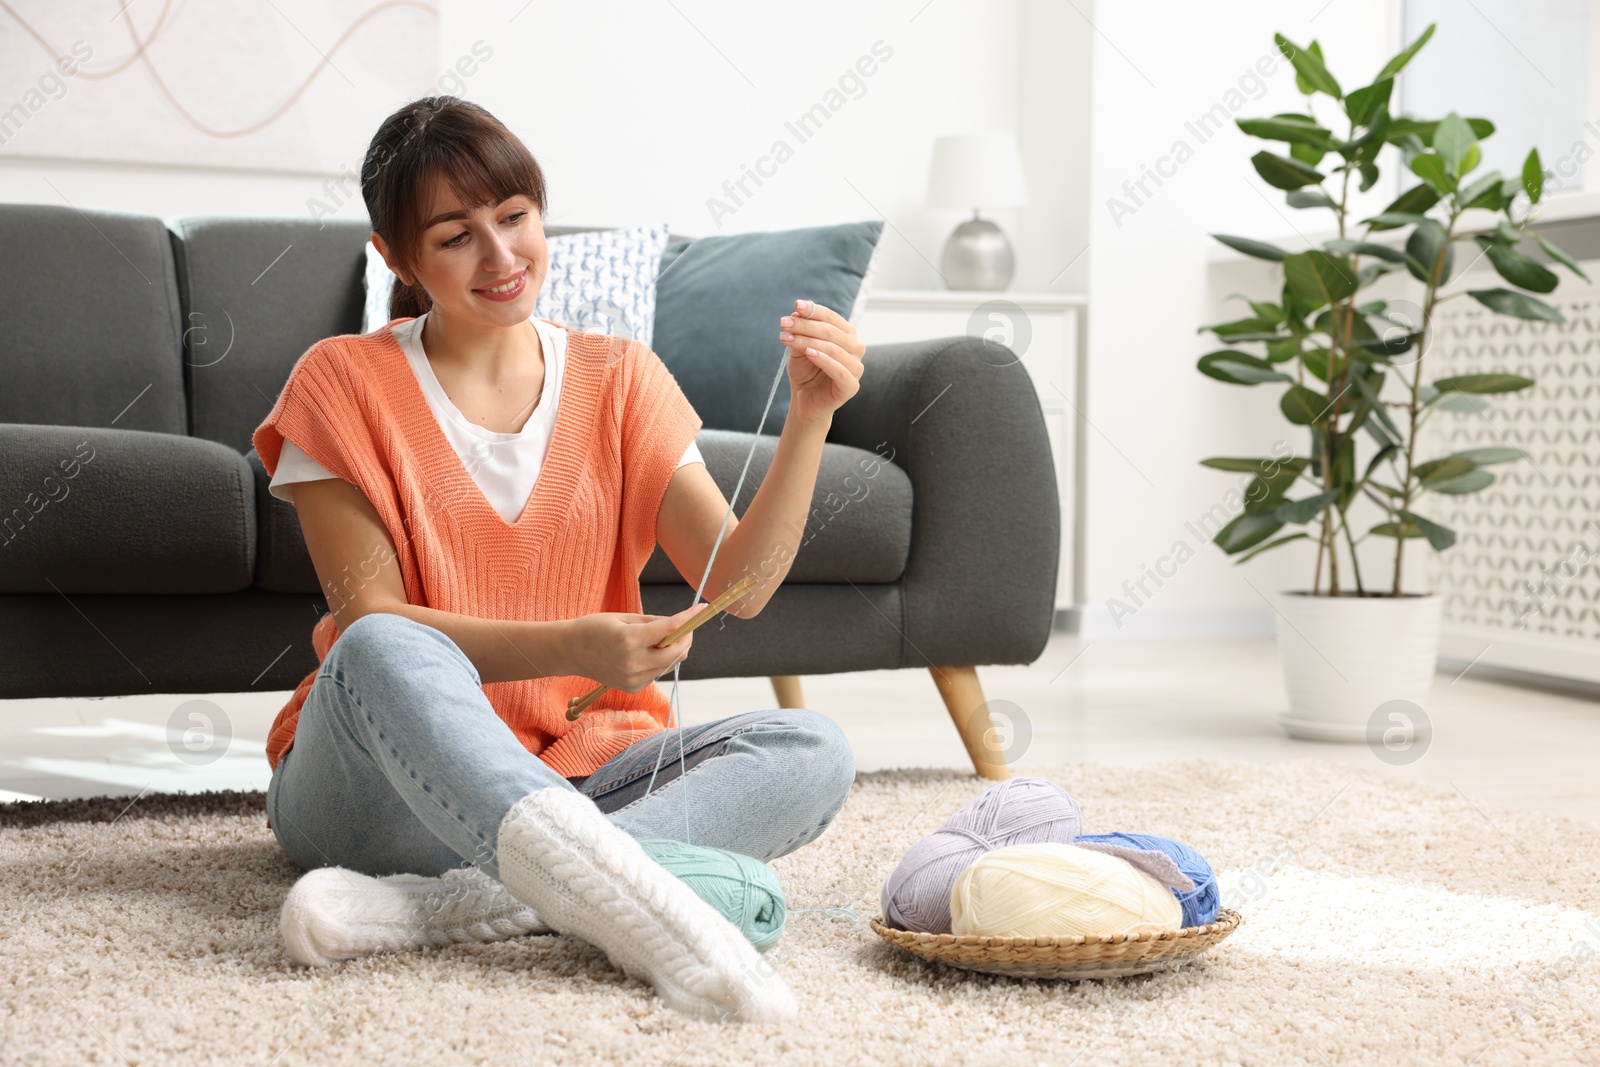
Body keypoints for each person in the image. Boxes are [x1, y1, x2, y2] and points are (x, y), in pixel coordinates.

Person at [251, 96, 866, 1024]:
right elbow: (370, 615)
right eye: (457, 237)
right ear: (398, 259)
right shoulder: (341, 381)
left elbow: (736, 587)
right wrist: (570, 642)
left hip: (576, 772)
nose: (502, 259)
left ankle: (456, 909)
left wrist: (812, 415)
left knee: (812, 747)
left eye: (515, 217)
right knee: (375, 643)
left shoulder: (621, 378)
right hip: (377, 792)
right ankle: (603, 889)